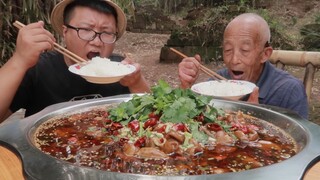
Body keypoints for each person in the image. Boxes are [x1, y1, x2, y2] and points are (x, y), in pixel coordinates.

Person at [0, 0, 150, 123]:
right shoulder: (39, 67)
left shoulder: (120, 71)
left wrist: (137, 83)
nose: (97, 41)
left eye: (106, 33)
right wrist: (19, 61)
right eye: (86, 29)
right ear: (65, 32)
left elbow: (152, 117)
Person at [178, 13, 309, 119]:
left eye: (245, 50)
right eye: (228, 50)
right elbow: (190, 123)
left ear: (264, 54)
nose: (234, 60)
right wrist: (186, 87)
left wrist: (255, 119)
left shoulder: (289, 90)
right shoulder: (216, 84)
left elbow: (298, 143)